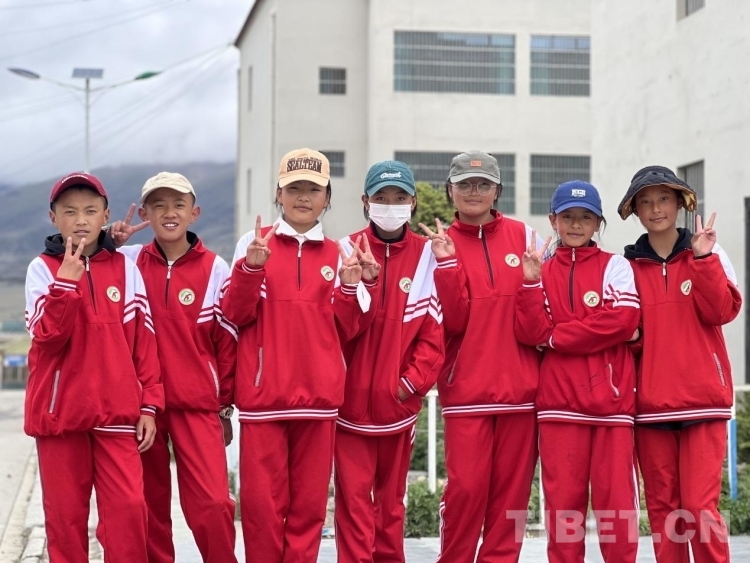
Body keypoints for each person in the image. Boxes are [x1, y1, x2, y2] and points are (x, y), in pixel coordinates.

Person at [221, 148, 375, 563]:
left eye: (313, 189)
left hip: (318, 402)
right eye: (293, 189)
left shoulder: (340, 252)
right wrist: (251, 269)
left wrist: (350, 286)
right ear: (278, 194)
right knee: (261, 509)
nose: (303, 197)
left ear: (327, 197)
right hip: (263, 401)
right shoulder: (253, 243)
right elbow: (234, 314)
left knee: (308, 509)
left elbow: (349, 329)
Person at [24, 172, 164, 563]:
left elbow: (143, 343)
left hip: (116, 413)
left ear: (105, 215)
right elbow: (48, 338)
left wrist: (150, 404)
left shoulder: (125, 269)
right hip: (61, 416)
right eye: (70, 212)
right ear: (54, 218)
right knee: (65, 519)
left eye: (90, 210)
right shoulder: (41, 269)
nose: (81, 220)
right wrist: (66, 285)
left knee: (129, 511)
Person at [108, 171, 238, 563]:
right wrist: (108, 242)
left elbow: (227, 342)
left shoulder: (216, 268)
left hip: (196, 403)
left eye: (178, 204)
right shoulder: (127, 261)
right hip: (141, 405)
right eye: (159, 205)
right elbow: (88, 272)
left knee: (214, 503)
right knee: (147, 504)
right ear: (144, 214)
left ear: (193, 213)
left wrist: (224, 407)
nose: (169, 213)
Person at [420, 150, 542, 562]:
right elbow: (452, 322)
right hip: (466, 392)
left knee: (511, 500)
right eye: (465, 184)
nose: (474, 192)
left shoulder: (526, 236)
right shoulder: (437, 246)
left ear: (497, 190)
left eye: (483, 184)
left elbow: (539, 317)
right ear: (450, 191)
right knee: (466, 491)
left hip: (521, 393)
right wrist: (446, 265)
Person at [617, 166, 741, 562]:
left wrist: (703, 259)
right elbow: (629, 339)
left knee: (700, 508)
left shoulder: (709, 251)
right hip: (651, 405)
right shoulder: (625, 267)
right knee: (664, 510)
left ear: (680, 203)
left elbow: (721, 312)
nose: (656, 209)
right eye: (646, 202)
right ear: (635, 210)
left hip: (704, 400)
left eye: (663, 199)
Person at [515, 180, 641, 563]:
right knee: (563, 513)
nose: (575, 224)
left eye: (586, 217)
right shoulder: (540, 270)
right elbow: (530, 331)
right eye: (567, 216)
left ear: (598, 223)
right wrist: (531, 284)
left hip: (612, 407)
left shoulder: (616, 266)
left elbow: (623, 320)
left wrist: (556, 336)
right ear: (553, 220)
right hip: (558, 407)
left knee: (617, 511)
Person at [334, 161, 444, 563]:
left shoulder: (427, 256)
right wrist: (359, 285)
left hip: (398, 407)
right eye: (381, 197)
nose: (391, 205)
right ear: (366, 201)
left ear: (412, 202)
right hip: (347, 409)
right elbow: (338, 329)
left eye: (400, 198)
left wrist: (407, 386)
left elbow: (435, 333)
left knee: (391, 504)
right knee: (352, 506)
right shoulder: (343, 249)